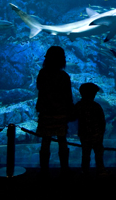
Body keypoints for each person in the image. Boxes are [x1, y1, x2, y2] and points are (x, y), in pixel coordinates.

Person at [36, 46, 74, 176]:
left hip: (46, 112)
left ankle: (44, 170)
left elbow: (39, 89)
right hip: (60, 112)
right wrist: (70, 111)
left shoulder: (42, 73)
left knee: (45, 140)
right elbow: (68, 96)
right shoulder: (64, 76)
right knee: (62, 139)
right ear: (62, 60)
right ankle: (64, 168)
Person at [74, 82, 107, 176]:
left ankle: (85, 171)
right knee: (99, 154)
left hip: (84, 135)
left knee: (85, 154)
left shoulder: (79, 105)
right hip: (97, 135)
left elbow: (72, 116)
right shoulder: (96, 106)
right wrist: (101, 133)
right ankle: (101, 171)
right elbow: (102, 121)